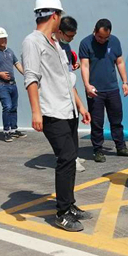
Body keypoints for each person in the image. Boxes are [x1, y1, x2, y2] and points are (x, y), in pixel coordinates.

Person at [22, 0, 92, 232]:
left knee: (71, 159)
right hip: (51, 111)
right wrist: (36, 112)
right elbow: (31, 78)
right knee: (65, 158)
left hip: (68, 110)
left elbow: (67, 79)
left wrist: (80, 105)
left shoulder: (56, 44)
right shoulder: (32, 42)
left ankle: (69, 204)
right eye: (60, 15)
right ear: (54, 15)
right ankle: (62, 213)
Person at [79, 19, 128, 163]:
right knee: (97, 122)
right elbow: (84, 66)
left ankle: (121, 147)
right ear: (94, 31)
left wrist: (125, 82)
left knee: (116, 120)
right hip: (95, 90)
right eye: (100, 37)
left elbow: (120, 62)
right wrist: (87, 85)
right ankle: (98, 150)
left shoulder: (114, 42)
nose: (102, 40)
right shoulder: (86, 43)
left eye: (106, 38)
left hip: (112, 88)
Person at [0, 27, 26, 143]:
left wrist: (26, 74)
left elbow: (17, 64)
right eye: (1, 38)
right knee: (7, 106)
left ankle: (14, 129)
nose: (3, 40)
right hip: (1, 85)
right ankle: (6, 131)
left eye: (4, 38)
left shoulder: (10, 51)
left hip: (13, 84)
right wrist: (0, 74)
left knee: (14, 107)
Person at [57, 16, 86, 173]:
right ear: (60, 32)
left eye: (74, 36)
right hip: (60, 94)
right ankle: (70, 158)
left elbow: (67, 69)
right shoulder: (54, 47)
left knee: (74, 123)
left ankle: (74, 154)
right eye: (69, 36)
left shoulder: (66, 46)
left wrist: (73, 66)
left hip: (70, 90)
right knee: (66, 128)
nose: (71, 39)